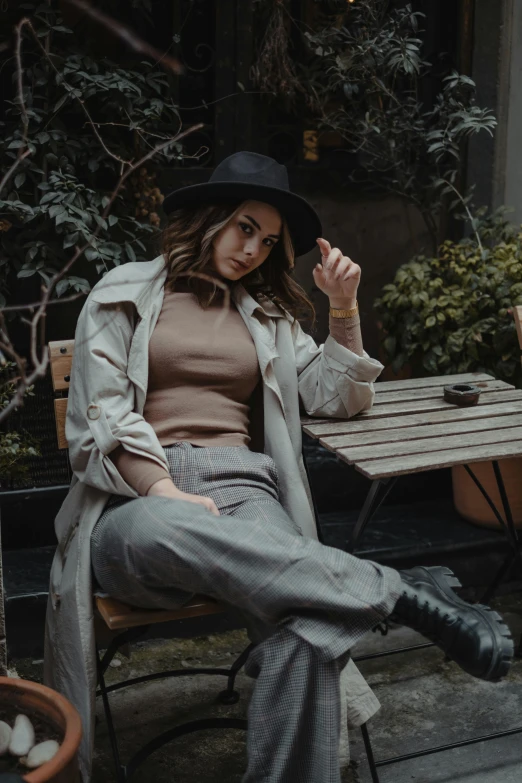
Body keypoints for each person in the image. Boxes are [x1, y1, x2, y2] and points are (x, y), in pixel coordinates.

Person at [44, 151, 514, 783]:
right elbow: (103, 413)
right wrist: (161, 488)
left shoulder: (265, 318)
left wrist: (343, 308)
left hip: (246, 491)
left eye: (268, 241)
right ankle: (397, 591)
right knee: (165, 528)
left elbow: (335, 398)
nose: (254, 250)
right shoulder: (125, 292)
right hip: (136, 498)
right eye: (245, 227)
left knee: (307, 631)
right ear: (209, 219)